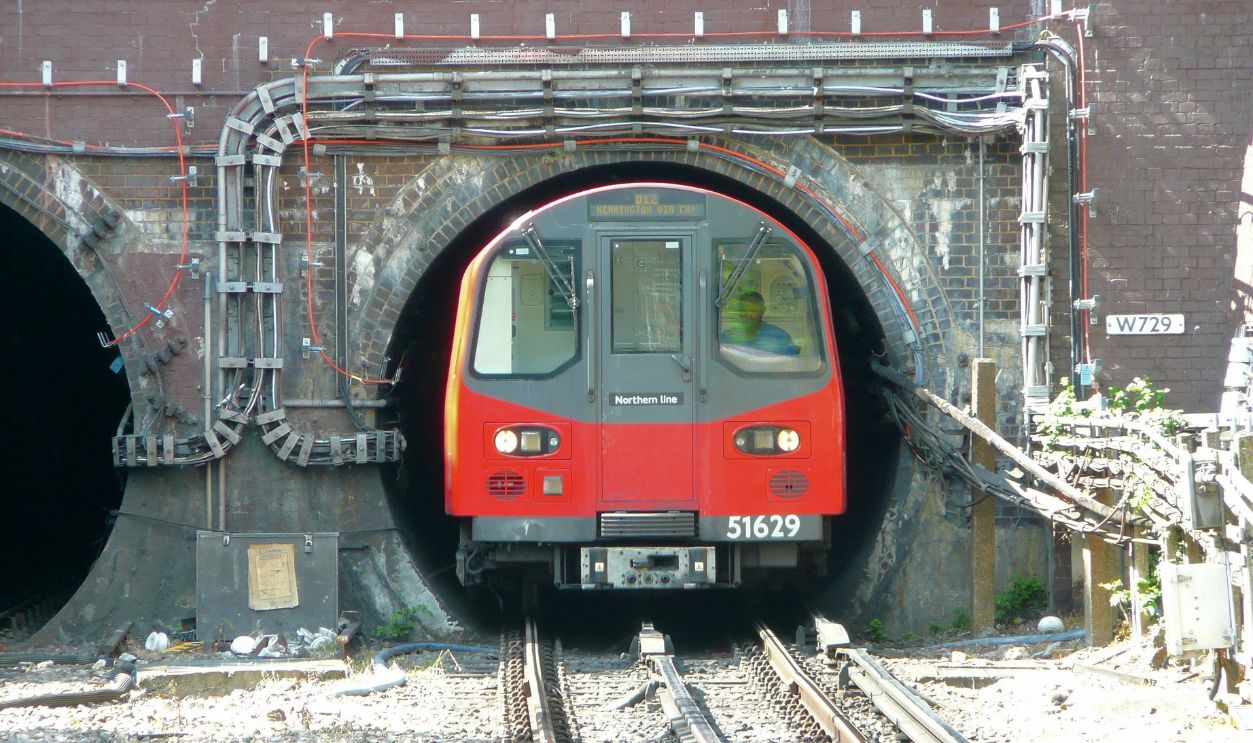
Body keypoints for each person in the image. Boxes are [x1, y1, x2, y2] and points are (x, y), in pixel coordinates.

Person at [720, 291, 798, 354]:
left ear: (763, 310)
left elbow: (790, 366)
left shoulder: (781, 337)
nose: (748, 314)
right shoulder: (726, 337)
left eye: (753, 310)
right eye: (743, 310)